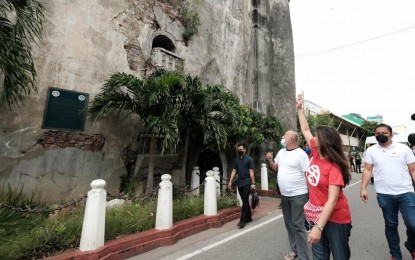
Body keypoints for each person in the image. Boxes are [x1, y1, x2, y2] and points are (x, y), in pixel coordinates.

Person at [296, 94, 352, 260]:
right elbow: (305, 130)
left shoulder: (334, 166)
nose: (313, 137)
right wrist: (299, 109)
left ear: (325, 141)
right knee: (320, 257)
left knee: (340, 257)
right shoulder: (315, 151)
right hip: (315, 216)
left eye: (317, 136)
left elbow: (332, 200)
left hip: (336, 219)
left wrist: (318, 228)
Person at [360, 123, 415, 260]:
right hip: (384, 194)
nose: (380, 135)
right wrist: (363, 188)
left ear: (391, 134)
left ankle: (412, 245)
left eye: (383, 133)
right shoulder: (372, 151)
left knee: (412, 224)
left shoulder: (404, 149)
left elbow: (413, 170)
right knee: (391, 225)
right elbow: (368, 170)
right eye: (377, 133)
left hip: (406, 193)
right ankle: (395, 255)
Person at [266, 130, 311, 260]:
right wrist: (270, 160)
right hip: (285, 195)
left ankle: (304, 256)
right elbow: (276, 168)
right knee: (289, 224)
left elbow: (306, 175)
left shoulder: (301, 154)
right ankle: (295, 249)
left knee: (298, 225)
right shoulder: (281, 152)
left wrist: (310, 195)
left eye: (285, 136)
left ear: (291, 140)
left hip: (299, 195)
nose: (282, 137)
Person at [227, 143, 255, 229]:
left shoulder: (249, 159)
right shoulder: (236, 160)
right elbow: (234, 171)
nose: (239, 151)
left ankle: (242, 221)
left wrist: (253, 183)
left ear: (245, 150)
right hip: (239, 183)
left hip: (247, 182)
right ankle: (249, 217)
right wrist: (230, 181)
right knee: (244, 200)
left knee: (245, 200)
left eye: (241, 149)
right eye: (238, 149)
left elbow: (251, 171)